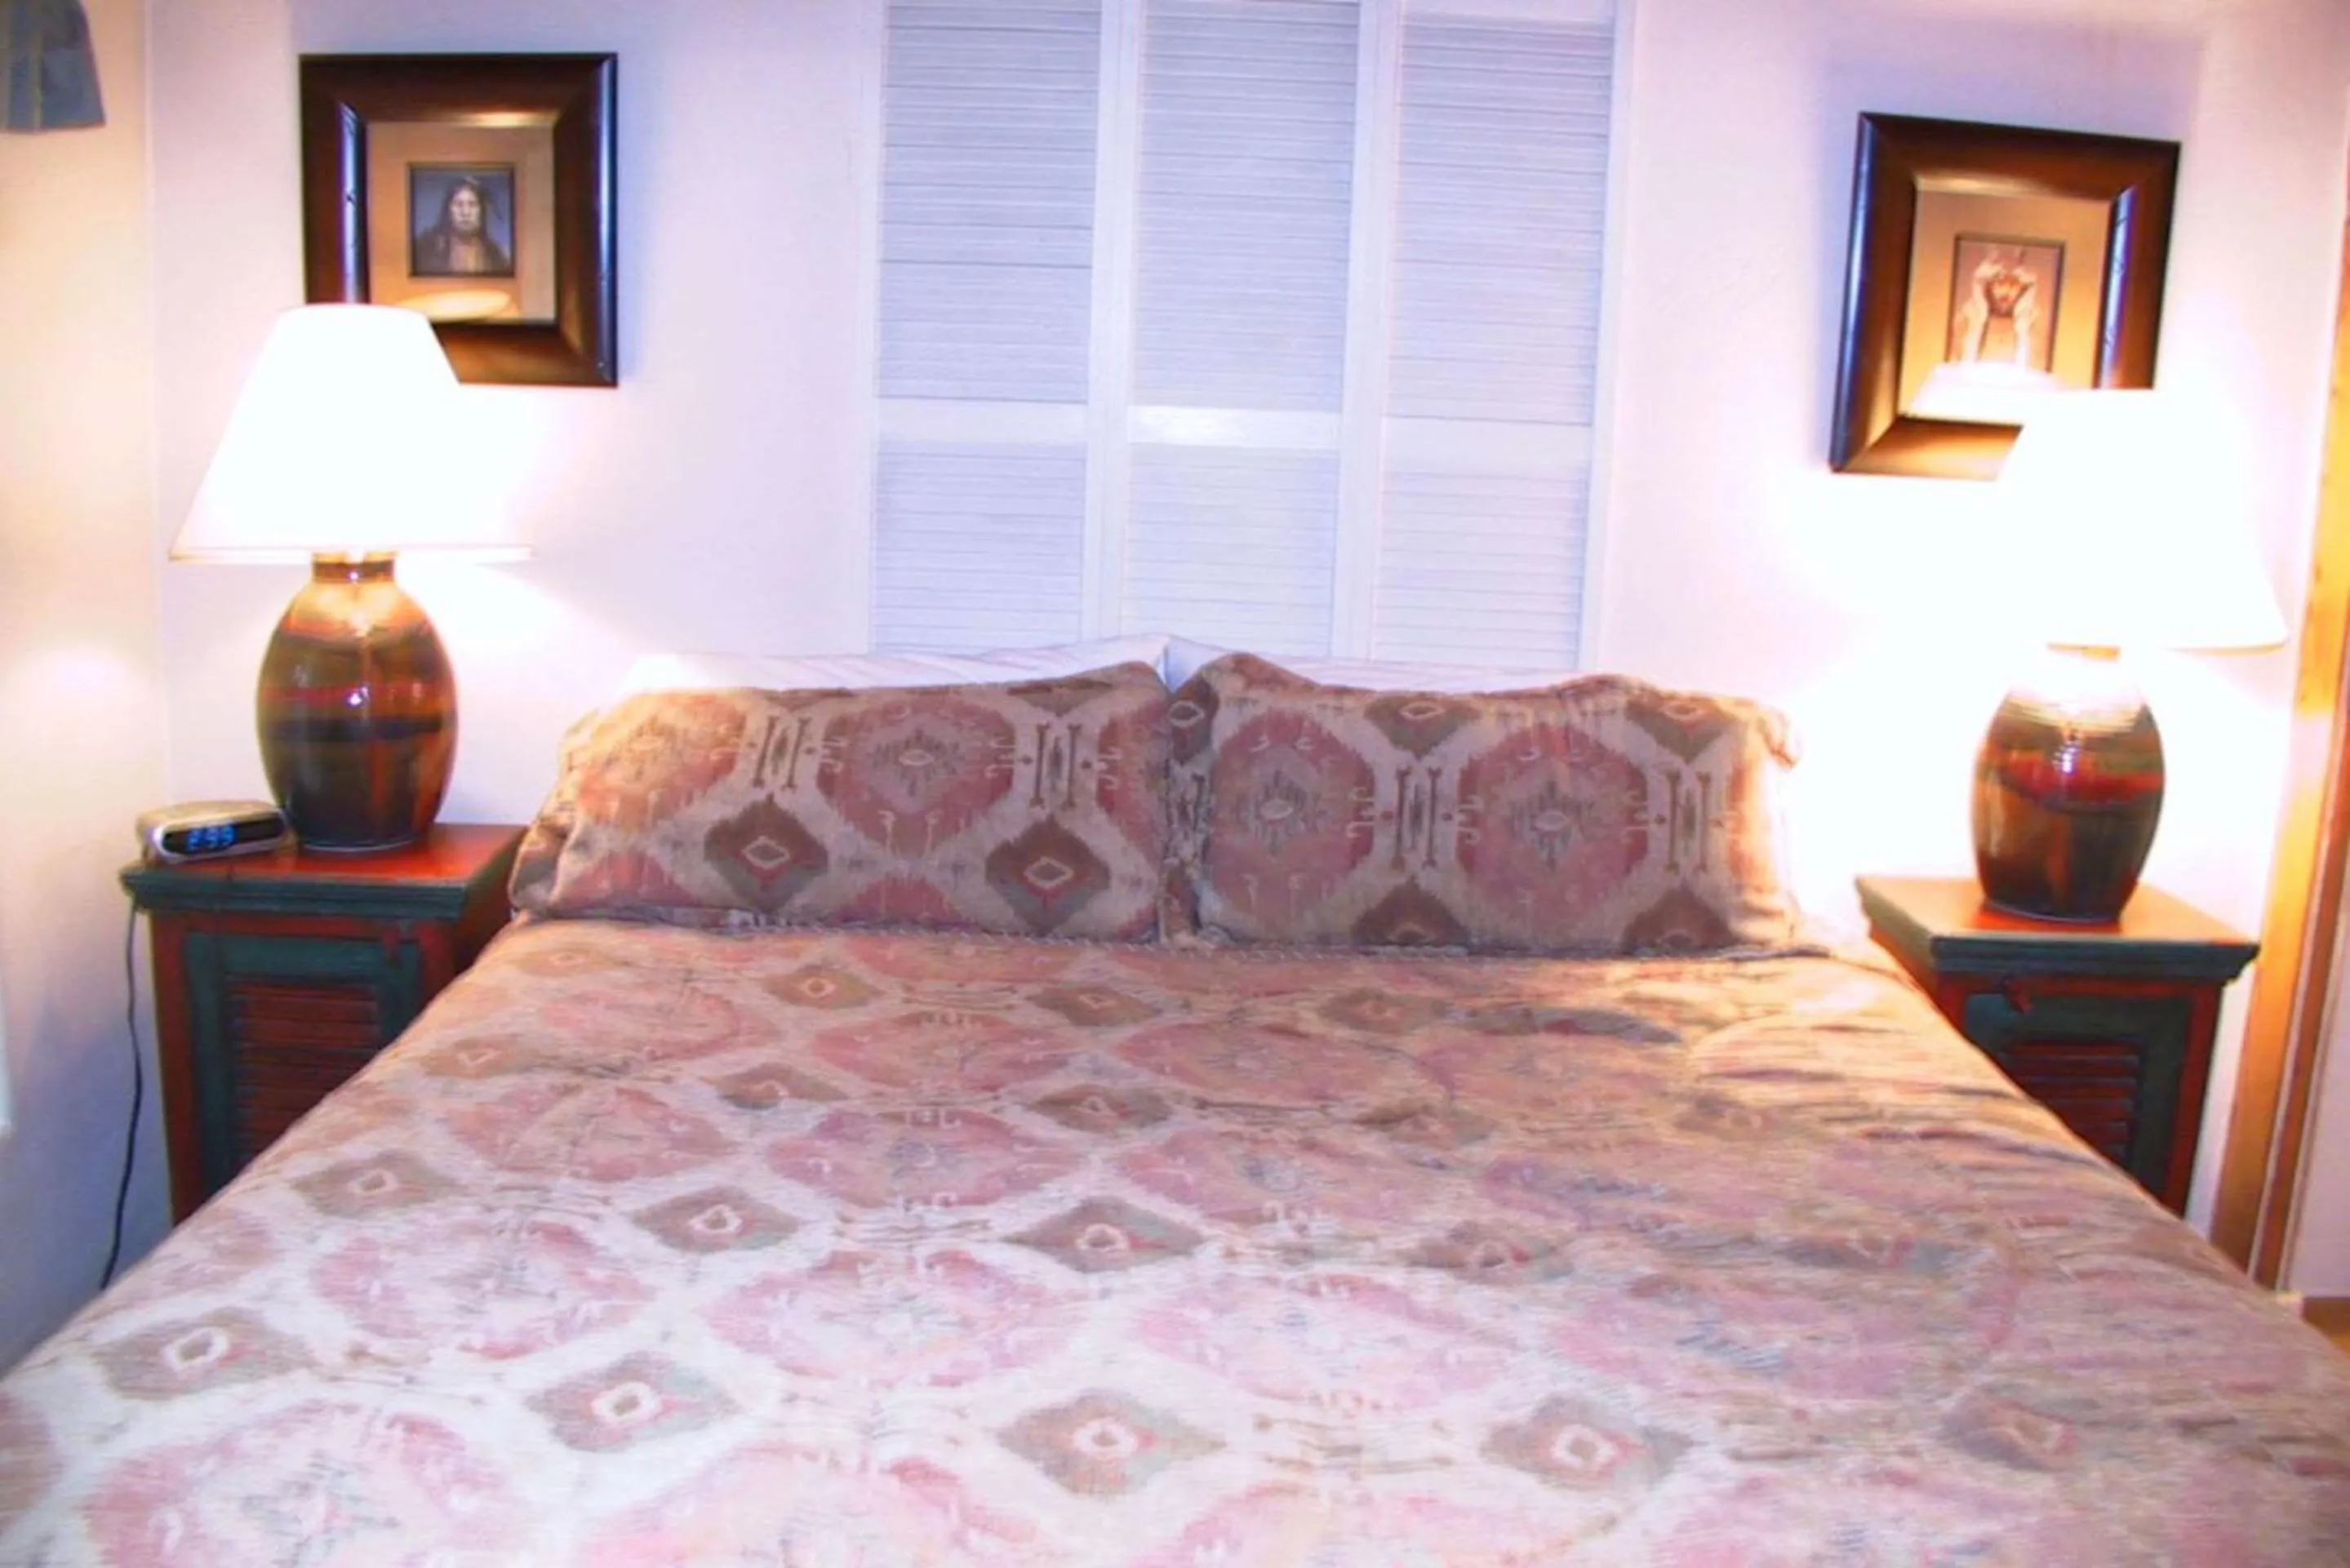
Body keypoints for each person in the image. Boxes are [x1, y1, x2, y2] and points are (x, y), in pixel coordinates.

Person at [412, 175, 513, 277]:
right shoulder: (428, 247)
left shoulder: (496, 254)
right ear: (448, 210)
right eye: (459, 204)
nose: (465, 212)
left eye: (472, 205)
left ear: (481, 211)